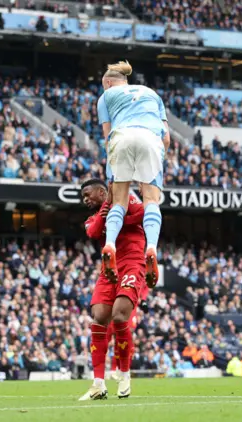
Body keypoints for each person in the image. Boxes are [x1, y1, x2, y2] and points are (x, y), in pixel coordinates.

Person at [96, 60, 170, 289]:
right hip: (150, 139)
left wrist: (113, 178)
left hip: (122, 137)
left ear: (108, 82)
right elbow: (166, 138)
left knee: (119, 201)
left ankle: (110, 245)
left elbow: (107, 138)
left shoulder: (105, 97)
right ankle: (151, 248)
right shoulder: (152, 94)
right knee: (151, 200)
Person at [78, 179, 145, 401]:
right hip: (109, 266)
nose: (85, 200)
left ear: (101, 191)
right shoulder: (92, 219)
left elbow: (143, 213)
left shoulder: (126, 197)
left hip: (132, 261)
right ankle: (98, 384)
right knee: (98, 318)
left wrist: (119, 209)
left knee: (119, 316)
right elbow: (94, 231)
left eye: (88, 195)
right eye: (83, 197)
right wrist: (108, 209)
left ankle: (124, 374)